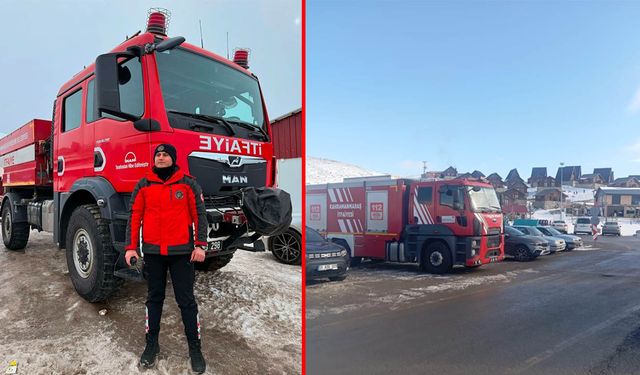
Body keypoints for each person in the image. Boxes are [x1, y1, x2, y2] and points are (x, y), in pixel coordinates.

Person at [125, 143, 208, 373]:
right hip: (153, 254)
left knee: (186, 301)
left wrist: (200, 245)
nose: (161, 158)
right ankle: (152, 345)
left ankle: (195, 348)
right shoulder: (143, 184)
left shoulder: (188, 184)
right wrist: (131, 248)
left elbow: (199, 215)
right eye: (158, 155)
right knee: (154, 299)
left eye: (165, 155)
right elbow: (135, 217)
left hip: (182, 254)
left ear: (173, 158)